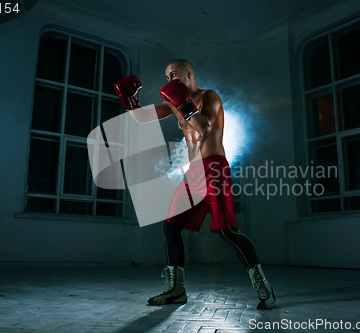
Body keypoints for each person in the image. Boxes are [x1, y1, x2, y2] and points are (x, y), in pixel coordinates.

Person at [114, 59, 276, 310]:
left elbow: (204, 129)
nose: (170, 81)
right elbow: (142, 118)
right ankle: (176, 290)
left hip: (214, 167)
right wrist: (129, 99)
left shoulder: (209, 96)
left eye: (174, 75)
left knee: (227, 231)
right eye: (167, 77)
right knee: (171, 227)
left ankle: (263, 285)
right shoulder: (173, 102)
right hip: (192, 174)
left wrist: (182, 101)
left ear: (188, 73)